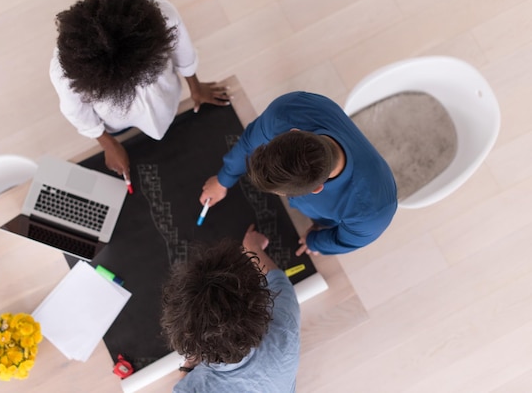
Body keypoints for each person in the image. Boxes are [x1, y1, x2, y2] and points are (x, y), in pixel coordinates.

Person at [50, 0, 230, 178]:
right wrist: (108, 144)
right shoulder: (66, 72)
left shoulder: (162, 15)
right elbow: (77, 112)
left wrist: (195, 87)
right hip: (117, 121)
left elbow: (182, 52)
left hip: (167, 97)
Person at [199, 91, 398, 256]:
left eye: (284, 194)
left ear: (318, 188)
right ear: (293, 132)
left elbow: (346, 241)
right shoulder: (287, 111)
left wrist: (315, 241)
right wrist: (223, 179)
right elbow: (250, 142)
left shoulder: (372, 212)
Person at [161, 225, 300, 393]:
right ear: (260, 306)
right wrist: (253, 249)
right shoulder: (284, 327)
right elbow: (278, 282)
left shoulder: (189, 390)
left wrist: (187, 369)